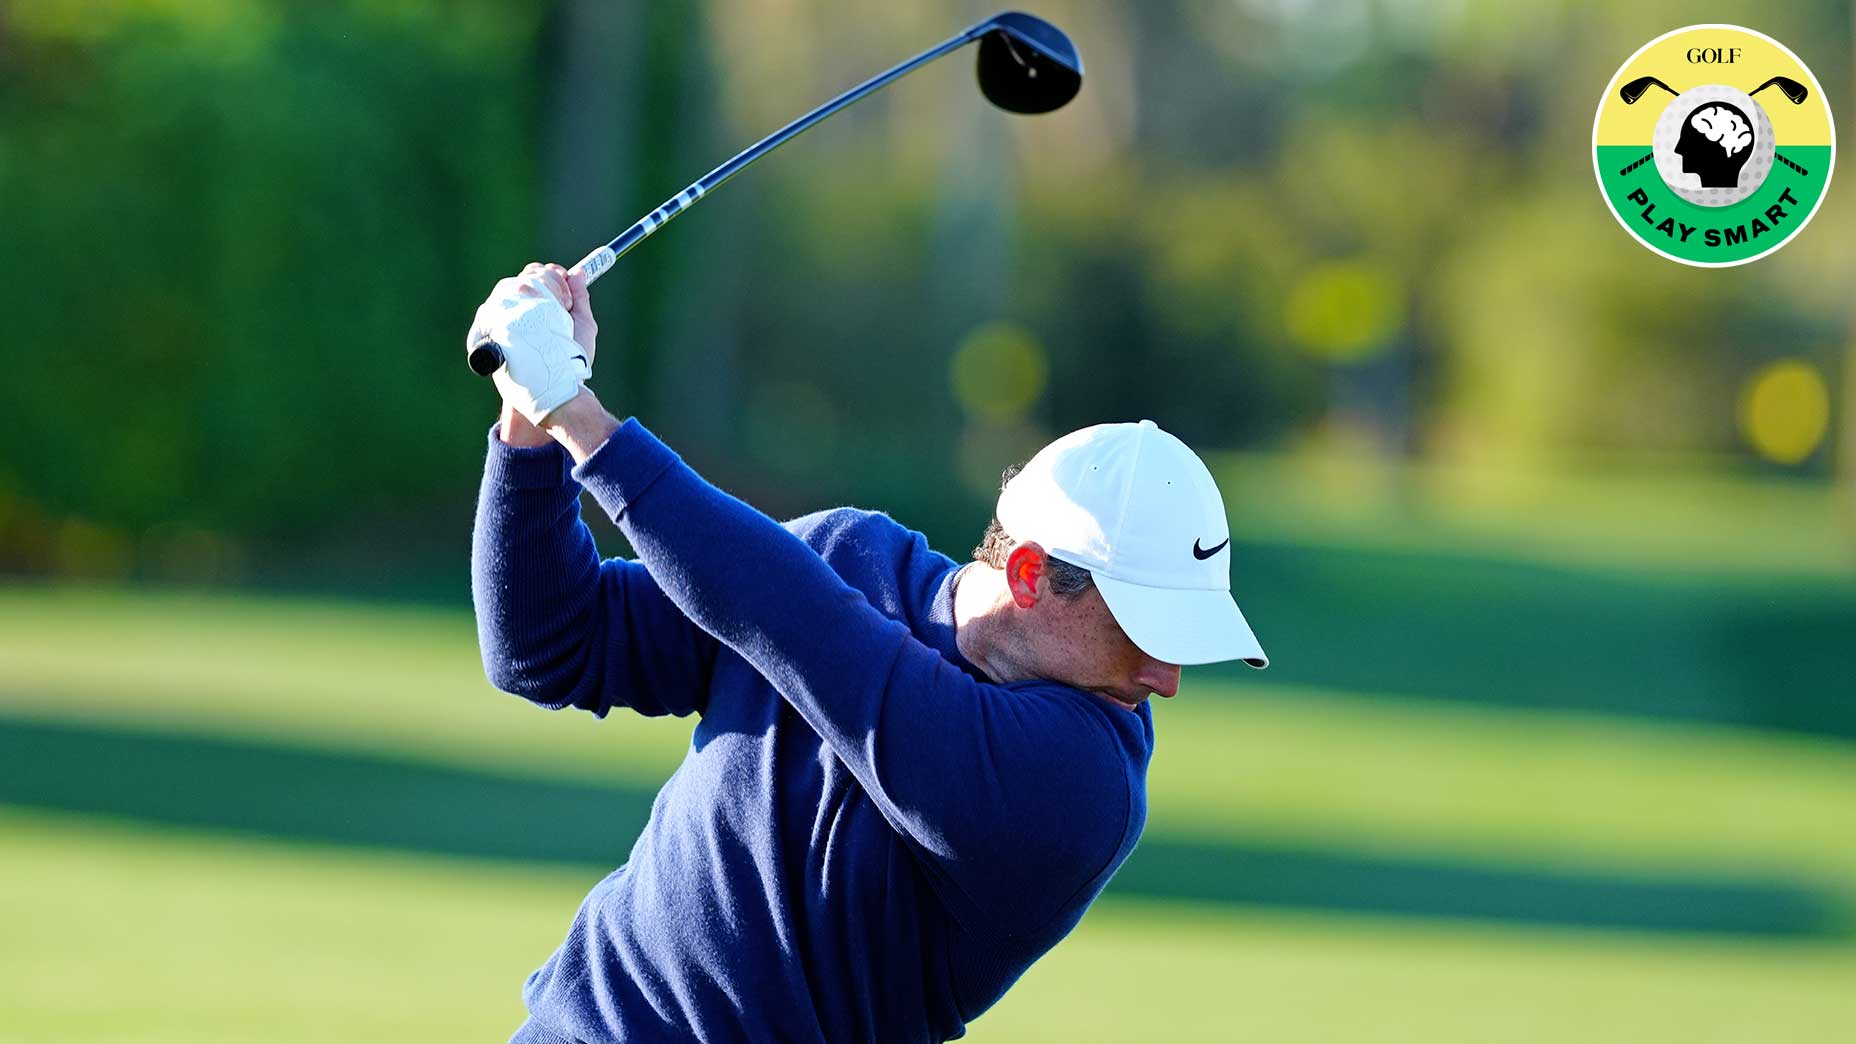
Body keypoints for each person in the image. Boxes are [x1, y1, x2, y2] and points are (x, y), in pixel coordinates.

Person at [470, 263, 1268, 1044]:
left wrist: (579, 413)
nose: (1166, 681)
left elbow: (821, 641)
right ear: (1029, 573)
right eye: (1143, 633)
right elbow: (547, 646)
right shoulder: (847, 553)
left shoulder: (1087, 782)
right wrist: (529, 415)